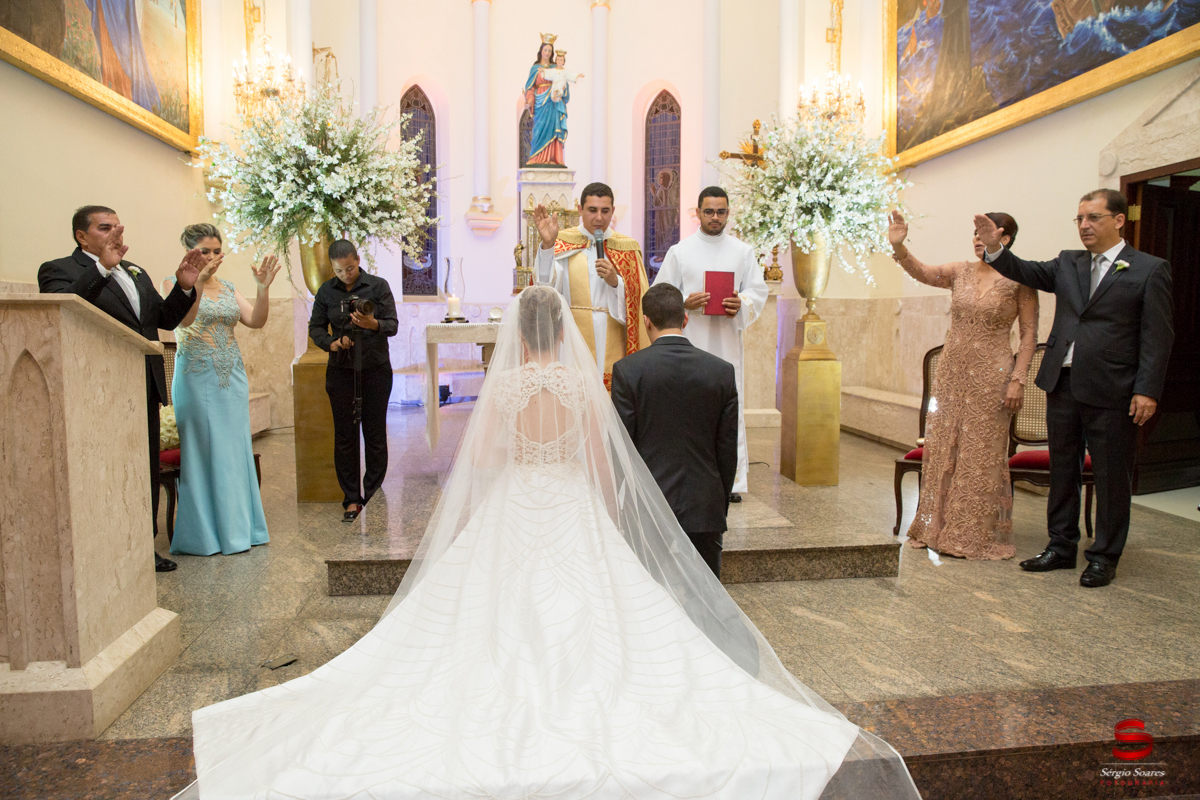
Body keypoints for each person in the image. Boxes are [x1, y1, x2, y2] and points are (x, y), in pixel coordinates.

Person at [172, 286, 921, 800]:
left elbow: (483, 462)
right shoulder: (578, 386)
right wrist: (605, 520)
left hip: (514, 503)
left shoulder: (498, 389)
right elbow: (599, 465)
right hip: (568, 504)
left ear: (515, 336)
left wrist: (480, 518)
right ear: (561, 332)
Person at [975, 189, 1174, 587]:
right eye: (1079, 219)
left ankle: (1103, 556)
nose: (1084, 225)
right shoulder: (1068, 262)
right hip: (1062, 383)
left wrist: (1147, 390)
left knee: (1111, 477)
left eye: (1093, 218)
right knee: (1063, 470)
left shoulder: (1149, 269)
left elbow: (1158, 336)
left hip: (1114, 390)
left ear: (1119, 220)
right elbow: (1025, 270)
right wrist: (995, 248)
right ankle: (1061, 546)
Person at [38, 205, 205, 573]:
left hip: (143, 384)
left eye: (117, 227)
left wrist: (184, 287)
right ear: (81, 236)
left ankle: (144, 548)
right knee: (105, 473)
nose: (115, 233)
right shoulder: (58, 270)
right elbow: (65, 311)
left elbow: (162, 320)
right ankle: (106, 551)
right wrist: (102, 268)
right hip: (96, 390)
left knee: (144, 470)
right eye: (104, 228)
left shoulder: (134, 271)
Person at [888, 211, 1038, 560]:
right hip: (952, 372)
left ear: (1006, 239)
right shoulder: (960, 272)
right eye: (974, 233)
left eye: (985, 232)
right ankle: (935, 528)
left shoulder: (1020, 278)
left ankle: (969, 534)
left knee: (980, 452)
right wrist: (899, 247)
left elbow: (1029, 335)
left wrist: (1018, 379)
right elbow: (923, 272)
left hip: (993, 375)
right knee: (943, 446)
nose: (977, 239)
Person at [160, 224, 279, 556]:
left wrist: (263, 289)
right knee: (203, 451)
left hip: (232, 377)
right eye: (204, 251)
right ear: (189, 252)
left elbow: (255, 320)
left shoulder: (227, 287)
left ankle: (241, 530)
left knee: (234, 450)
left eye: (216, 250)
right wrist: (196, 281)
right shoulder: (172, 284)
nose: (211, 257)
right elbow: (184, 321)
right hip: (196, 378)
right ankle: (206, 536)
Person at [611, 284, 739, 577]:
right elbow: (727, 451)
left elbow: (621, 447)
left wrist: (624, 507)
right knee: (707, 598)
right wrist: (717, 505)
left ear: (646, 321)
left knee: (650, 592)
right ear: (685, 318)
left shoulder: (629, 371)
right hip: (704, 507)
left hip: (648, 508)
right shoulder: (721, 371)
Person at [653, 186, 768, 502]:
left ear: (728, 213)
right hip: (689, 344)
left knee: (727, 411)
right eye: (709, 211)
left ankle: (731, 482)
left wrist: (741, 303)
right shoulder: (680, 251)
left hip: (727, 345)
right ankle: (685, 478)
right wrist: (683, 302)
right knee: (688, 410)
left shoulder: (742, 252)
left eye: (721, 212)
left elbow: (757, 292)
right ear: (698, 213)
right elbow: (659, 293)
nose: (715, 217)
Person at [308, 239, 398, 521]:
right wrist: (332, 343)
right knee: (345, 436)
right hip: (341, 370)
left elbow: (392, 325)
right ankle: (351, 499)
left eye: (349, 268)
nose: (345, 275)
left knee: (374, 434)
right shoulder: (326, 291)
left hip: (375, 369)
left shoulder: (378, 286)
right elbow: (316, 327)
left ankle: (372, 495)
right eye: (339, 271)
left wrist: (373, 324)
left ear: (358, 260)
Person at [530, 182, 651, 390]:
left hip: (613, 335)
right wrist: (548, 247)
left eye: (605, 211)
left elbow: (640, 302)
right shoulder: (561, 242)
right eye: (592, 210)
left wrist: (616, 283)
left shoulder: (628, 248)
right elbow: (544, 288)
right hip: (572, 335)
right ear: (580, 209)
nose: (599, 218)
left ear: (613, 211)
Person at [524, 36, 568, 165]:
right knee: (538, 129)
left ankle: (553, 158)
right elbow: (530, 87)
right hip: (540, 102)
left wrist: (563, 89)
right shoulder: (535, 68)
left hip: (553, 101)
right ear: (541, 51)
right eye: (545, 50)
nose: (547, 53)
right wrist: (530, 99)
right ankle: (536, 157)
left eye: (549, 50)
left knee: (553, 128)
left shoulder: (556, 68)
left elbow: (563, 81)